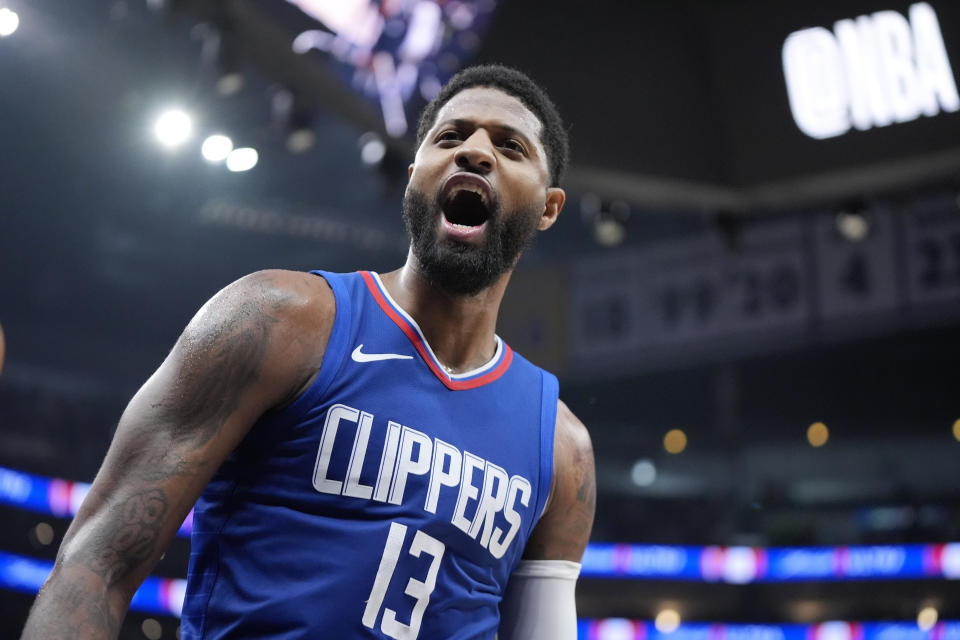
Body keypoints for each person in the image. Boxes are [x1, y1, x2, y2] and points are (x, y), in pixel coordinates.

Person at [21, 64, 595, 640]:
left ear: (548, 208)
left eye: (509, 145)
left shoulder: (561, 451)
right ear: (414, 174)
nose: (473, 151)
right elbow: (94, 570)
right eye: (450, 136)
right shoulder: (275, 319)